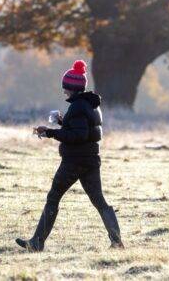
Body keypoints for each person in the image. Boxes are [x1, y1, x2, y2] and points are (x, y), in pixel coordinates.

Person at [15, 60, 124, 252]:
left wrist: (49, 132)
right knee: (99, 201)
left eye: (65, 87)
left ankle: (36, 243)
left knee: (53, 197)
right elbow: (83, 130)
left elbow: (77, 136)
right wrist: (62, 122)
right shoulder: (90, 104)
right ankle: (117, 242)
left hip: (75, 162)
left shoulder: (78, 107)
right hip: (90, 160)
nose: (64, 91)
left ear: (71, 88)